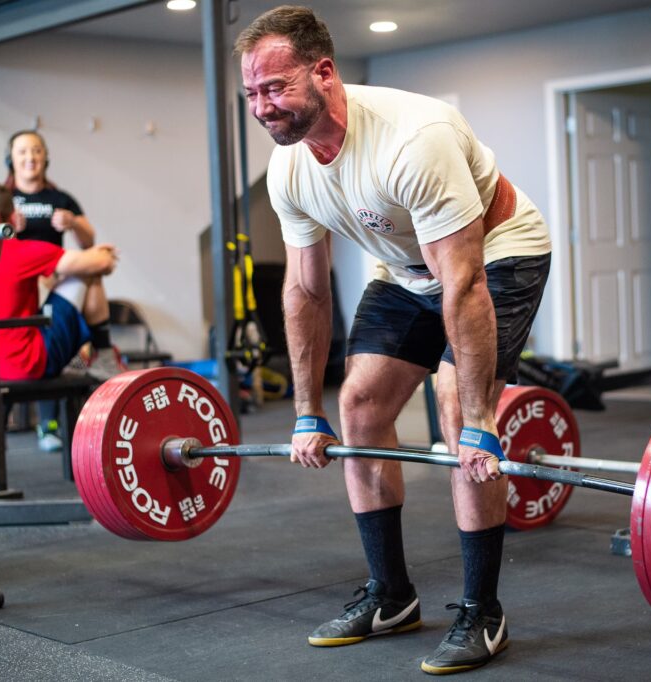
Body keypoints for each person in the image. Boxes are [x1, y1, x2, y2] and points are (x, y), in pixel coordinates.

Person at [236, 6, 551, 676]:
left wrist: (481, 422)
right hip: (408, 269)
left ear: (324, 73)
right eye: (252, 93)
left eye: (276, 87)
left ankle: (483, 612)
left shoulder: (414, 139)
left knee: (456, 410)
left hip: (497, 251)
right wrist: (305, 412)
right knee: (359, 407)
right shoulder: (290, 168)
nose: (263, 108)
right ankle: (391, 595)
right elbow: (307, 292)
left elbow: (463, 283)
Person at [4, 130, 125, 450]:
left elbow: (88, 241)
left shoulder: (60, 199)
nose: (30, 157)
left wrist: (72, 223)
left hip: (54, 279)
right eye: (22, 151)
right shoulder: (4, 201)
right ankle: (100, 353)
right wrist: (8, 229)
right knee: (95, 267)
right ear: (10, 159)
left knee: (92, 272)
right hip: (18, 289)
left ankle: (98, 357)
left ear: (45, 157)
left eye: (36, 150)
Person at [0, 184, 121, 390]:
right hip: (32, 365)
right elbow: (103, 263)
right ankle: (103, 356)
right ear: (13, 217)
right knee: (89, 270)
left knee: (78, 270)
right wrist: (101, 253)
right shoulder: (20, 252)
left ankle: (85, 357)